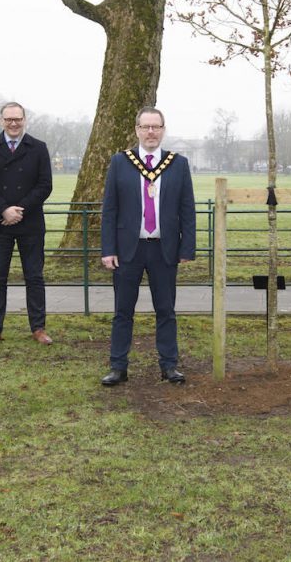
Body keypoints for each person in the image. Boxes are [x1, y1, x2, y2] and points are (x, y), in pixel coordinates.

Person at [99, 107, 196, 385]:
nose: (151, 132)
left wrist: (186, 248)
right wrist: (108, 249)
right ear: (137, 130)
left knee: (166, 310)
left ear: (163, 130)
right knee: (122, 312)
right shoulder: (120, 162)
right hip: (128, 250)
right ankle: (118, 367)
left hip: (163, 249)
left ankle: (169, 366)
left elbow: (187, 209)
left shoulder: (178, 164)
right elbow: (110, 210)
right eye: (146, 127)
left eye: (156, 127)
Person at [0, 102, 54, 345]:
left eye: (17, 119)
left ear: (24, 120)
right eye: (9, 119)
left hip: (30, 223)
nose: (13, 123)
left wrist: (20, 209)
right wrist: (4, 209)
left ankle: (38, 328)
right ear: (1, 121)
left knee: (34, 277)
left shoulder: (38, 148)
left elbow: (45, 184)